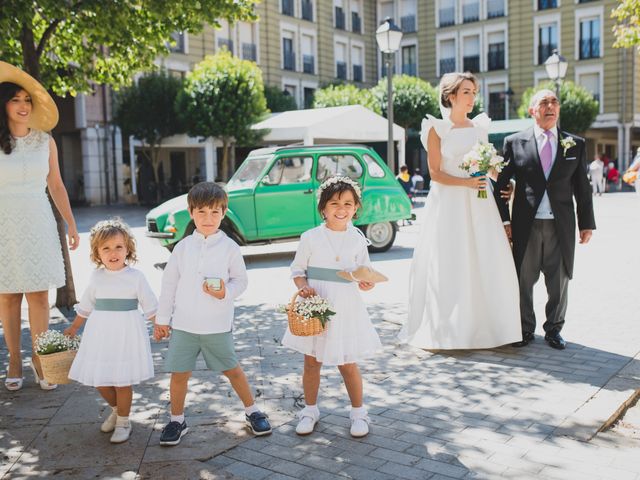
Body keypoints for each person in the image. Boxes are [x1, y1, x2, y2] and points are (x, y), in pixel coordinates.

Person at [399, 72, 521, 350]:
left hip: (480, 202)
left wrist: (503, 180)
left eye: (474, 92)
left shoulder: (479, 128)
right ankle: (449, 330)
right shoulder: (435, 129)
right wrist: (465, 183)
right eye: (467, 92)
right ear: (451, 96)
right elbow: (435, 173)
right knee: (450, 261)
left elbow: (489, 168)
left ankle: (491, 328)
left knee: (487, 259)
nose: (472, 98)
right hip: (449, 203)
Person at [153, 182, 271, 446]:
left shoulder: (229, 248)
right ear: (191, 212)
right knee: (179, 374)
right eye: (202, 212)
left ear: (224, 213)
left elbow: (241, 281)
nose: (208, 218)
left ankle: (253, 410)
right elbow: (169, 284)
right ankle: (177, 419)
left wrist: (225, 292)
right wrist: (162, 320)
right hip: (183, 325)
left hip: (217, 324)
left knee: (233, 370)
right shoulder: (182, 248)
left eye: (215, 212)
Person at [282, 176, 382, 438]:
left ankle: (359, 413)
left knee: (347, 362)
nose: (342, 209)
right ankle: (310, 410)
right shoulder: (311, 237)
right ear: (323, 208)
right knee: (312, 361)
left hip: (346, 306)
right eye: (335, 203)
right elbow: (297, 269)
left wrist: (365, 283)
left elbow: (364, 271)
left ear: (356, 208)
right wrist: (302, 286)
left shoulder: (358, 238)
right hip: (317, 304)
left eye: (348, 203)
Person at [495, 89, 595, 350]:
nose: (550, 106)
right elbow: (501, 187)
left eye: (554, 102)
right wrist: (505, 222)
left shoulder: (575, 144)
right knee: (523, 280)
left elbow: (582, 188)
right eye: (544, 102)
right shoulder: (514, 142)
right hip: (525, 224)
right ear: (532, 110)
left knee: (559, 281)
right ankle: (524, 329)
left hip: (560, 224)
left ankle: (554, 329)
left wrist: (586, 223)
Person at [0, 61, 79, 392]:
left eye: (26, 100)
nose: (23, 106)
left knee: (39, 296)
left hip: (38, 221)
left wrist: (72, 225)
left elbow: (56, 185)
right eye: (16, 99)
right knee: (7, 297)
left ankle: (42, 360)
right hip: (3, 222)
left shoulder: (45, 141)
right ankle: (15, 359)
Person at [64, 219, 156, 444]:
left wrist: (161, 325)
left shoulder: (136, 277)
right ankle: (117, 410)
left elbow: (151, 306)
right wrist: (74, 327)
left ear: (128, 249)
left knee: (122, 380)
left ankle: (124, 421)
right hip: (100, 333)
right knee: (101, 379)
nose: (113, 252)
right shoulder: (97, 277)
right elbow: (86, 305)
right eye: (106, 248)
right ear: (97, 252)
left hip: (127, 333)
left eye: (118, 247)